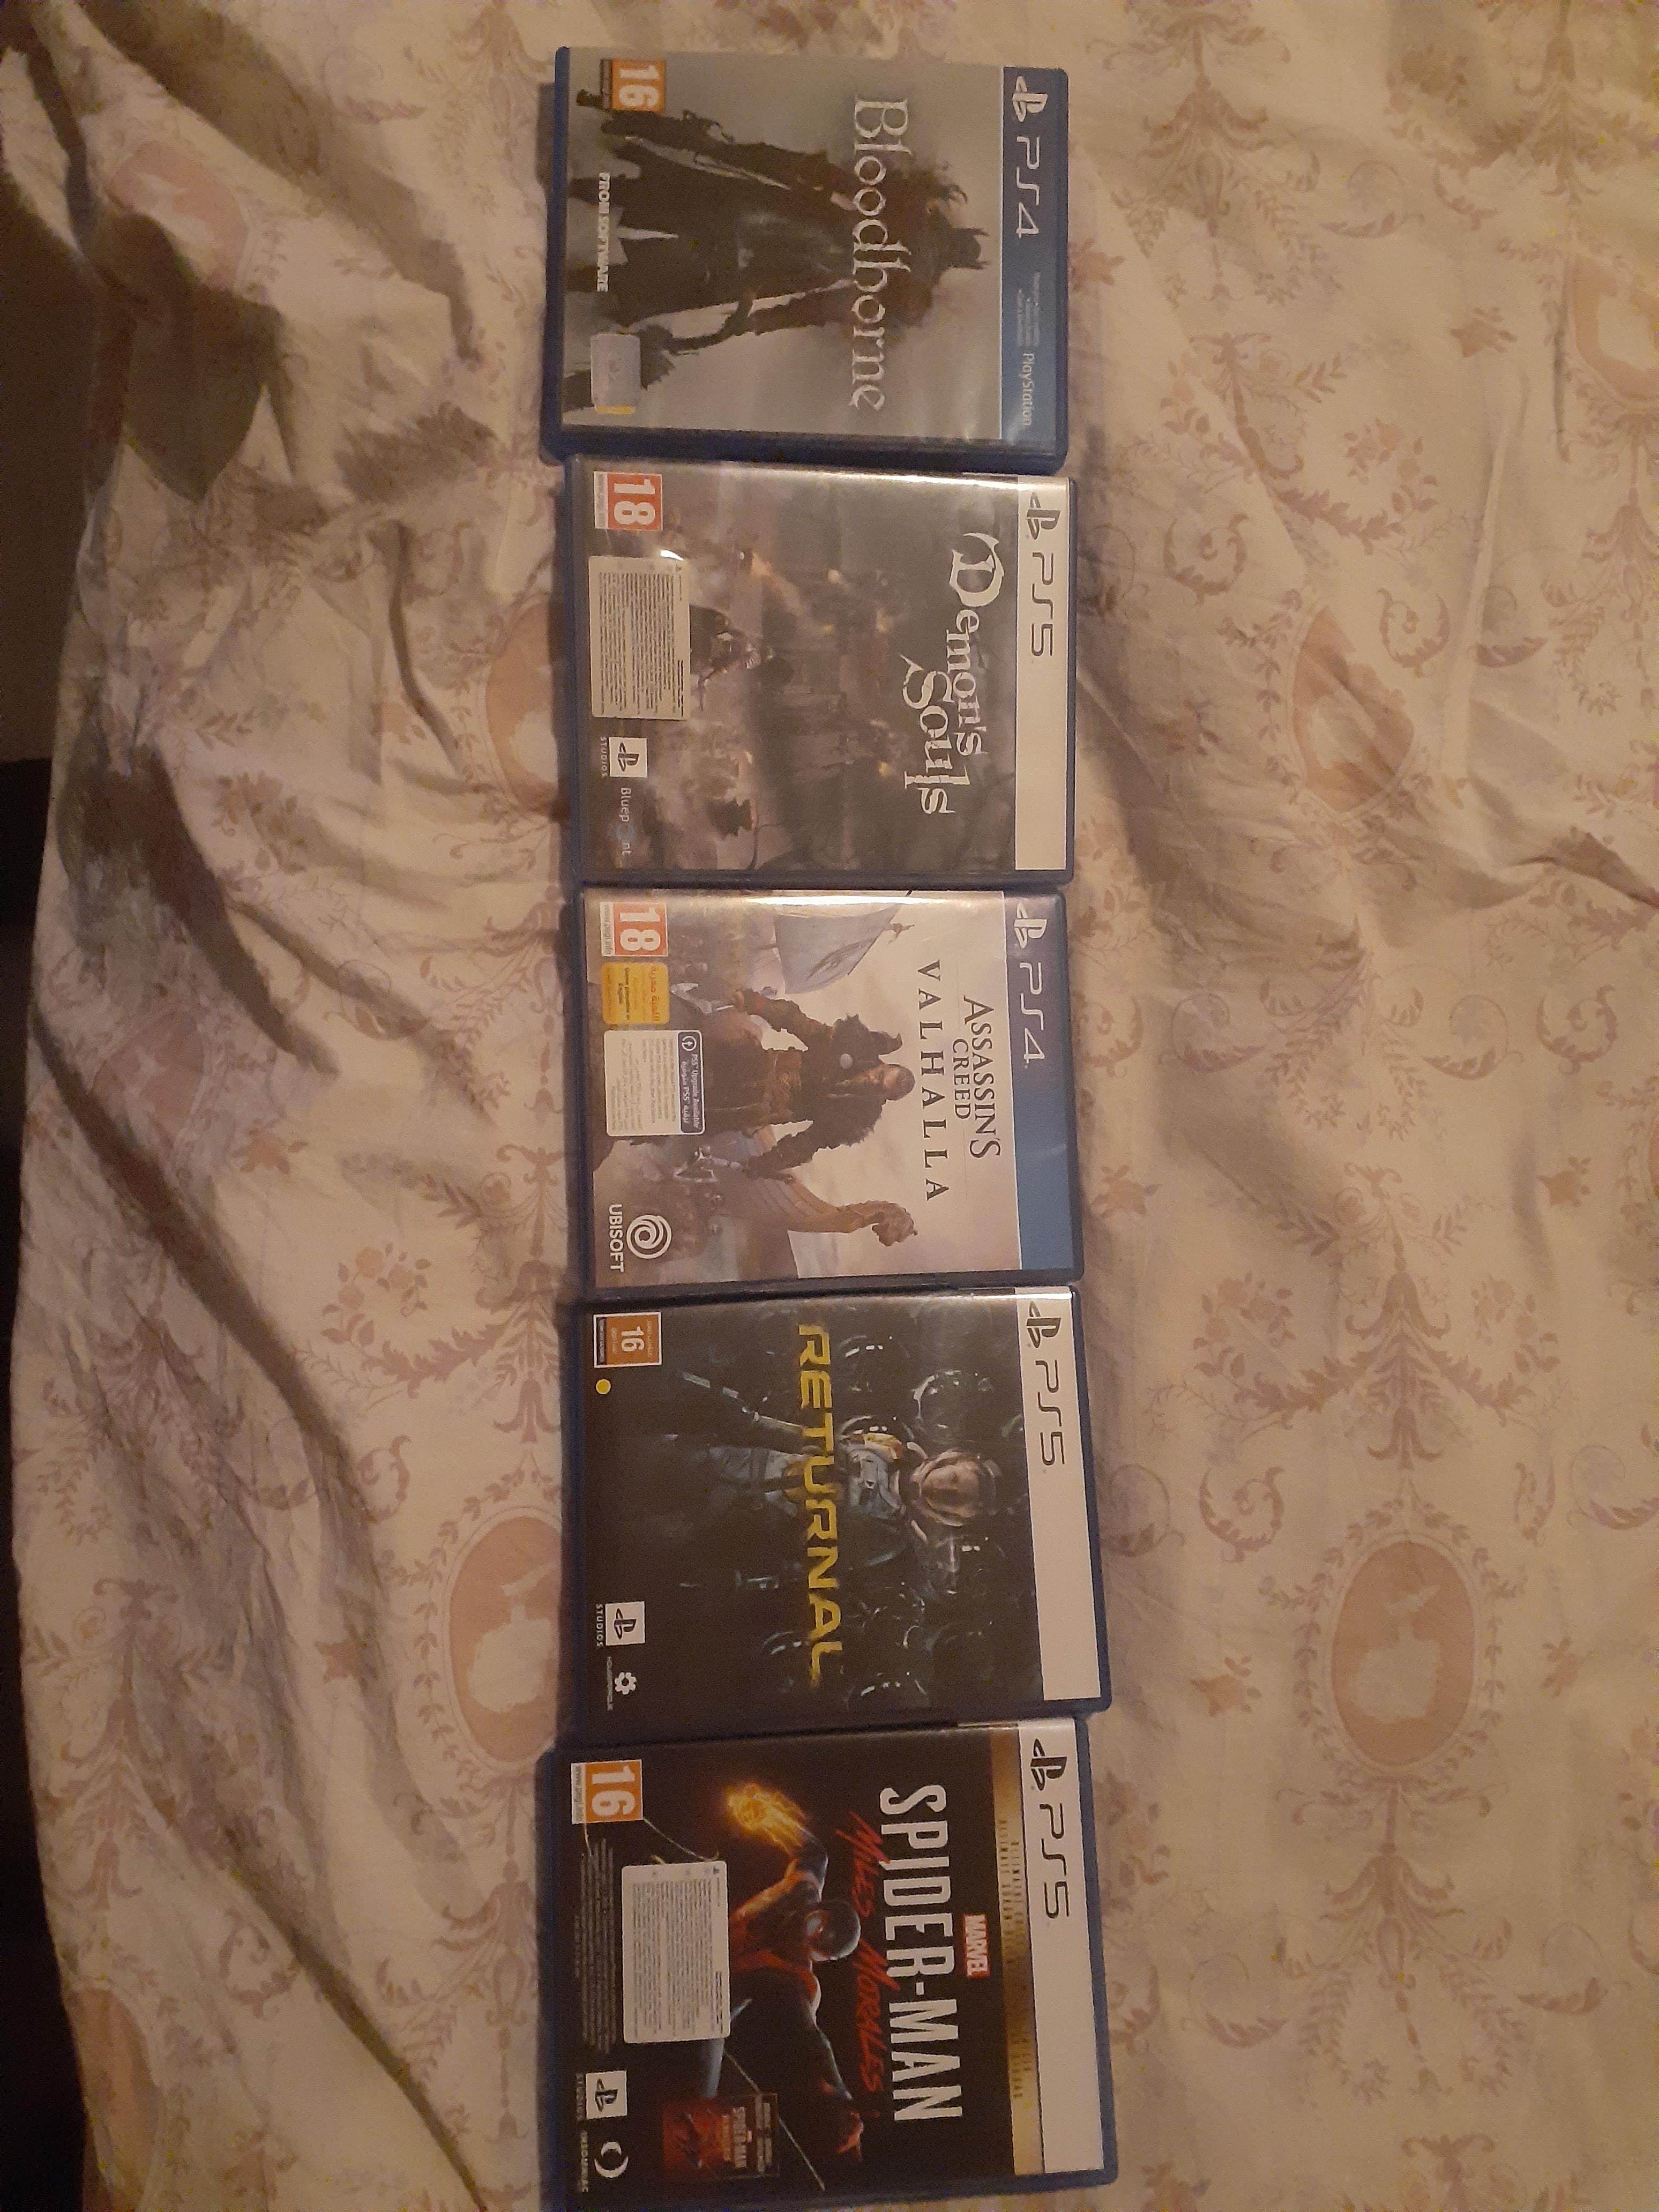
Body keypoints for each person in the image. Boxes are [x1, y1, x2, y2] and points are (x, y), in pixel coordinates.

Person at [697, 990, 914, 1178]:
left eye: (878, 1087)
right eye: (879, 1075)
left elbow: (808, 1144)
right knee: (698, 1048)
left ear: (886, 1098)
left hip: (756, 1106)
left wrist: (765, 1164)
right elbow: (798, 1023)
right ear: (884, 1064)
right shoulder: (853, 1045)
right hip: (754, 1061)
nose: (872, 1080)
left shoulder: (857, 1117)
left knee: (698, 1118)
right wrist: (758, 1004)